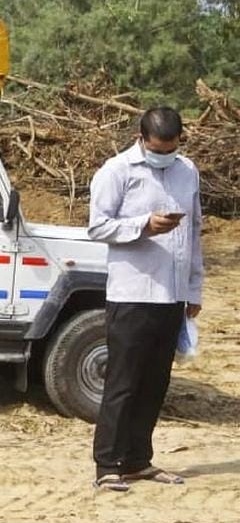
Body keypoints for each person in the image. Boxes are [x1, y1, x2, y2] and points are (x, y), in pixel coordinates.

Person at [87, 106, 203, 491]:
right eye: (158, 149)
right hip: (132, 293)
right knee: (123, 382)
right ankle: (108, 464)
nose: (164, 155)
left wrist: (193, 289)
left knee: (155, 382)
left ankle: (138, 459)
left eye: (170, 148)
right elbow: (98, 225)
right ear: (141, 138)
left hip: (171, 295)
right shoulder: (117, 171)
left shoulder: (187, 171)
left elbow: (194, 233)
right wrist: (143, 226)